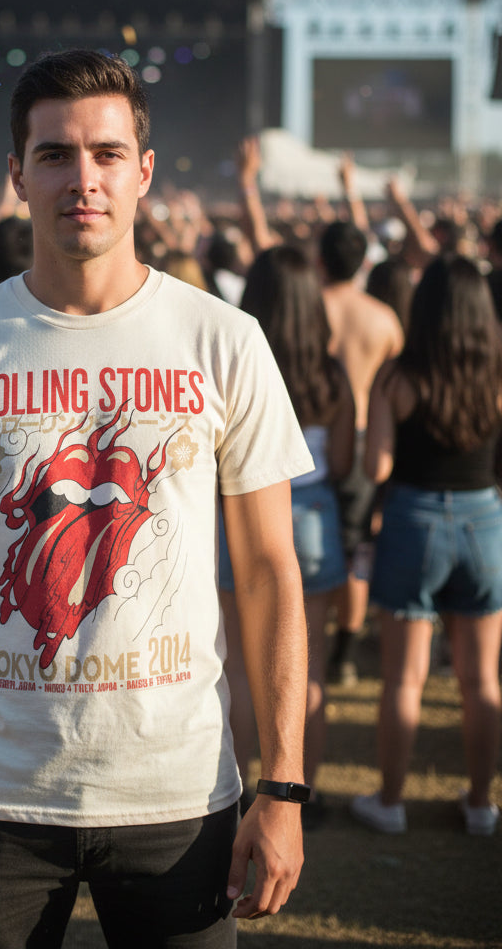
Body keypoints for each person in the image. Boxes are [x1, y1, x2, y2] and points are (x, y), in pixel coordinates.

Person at [0, 48, 314, 948]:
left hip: (181, 795)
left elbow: (269, 572)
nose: (84, 179)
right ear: (16, 176)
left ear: (143, 172)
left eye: (107, 154)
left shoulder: (224, 340)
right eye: (56, 156)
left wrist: (285, 788)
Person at [352, 255, 502, 837]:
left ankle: (390, 802)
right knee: (482, 679)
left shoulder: (398, 377)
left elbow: (377, 464)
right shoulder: (495, 371)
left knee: (404, 678)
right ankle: (480, 804)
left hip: (414, 520)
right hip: (485, 518)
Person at [219, 245, 354, 828]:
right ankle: (305, 790)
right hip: (314, 511)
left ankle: (239, 787)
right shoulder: (331, 373)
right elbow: (345, 459)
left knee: (242, 667)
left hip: (244, 512)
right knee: (310, 663)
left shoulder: (238, 360)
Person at [320, 220, 404, 684]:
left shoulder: (312, 310)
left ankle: (319, 643)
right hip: (368, 438)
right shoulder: (383, 318)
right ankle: (343, 657)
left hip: (314, 437)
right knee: (356, 552)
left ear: (321, 258)